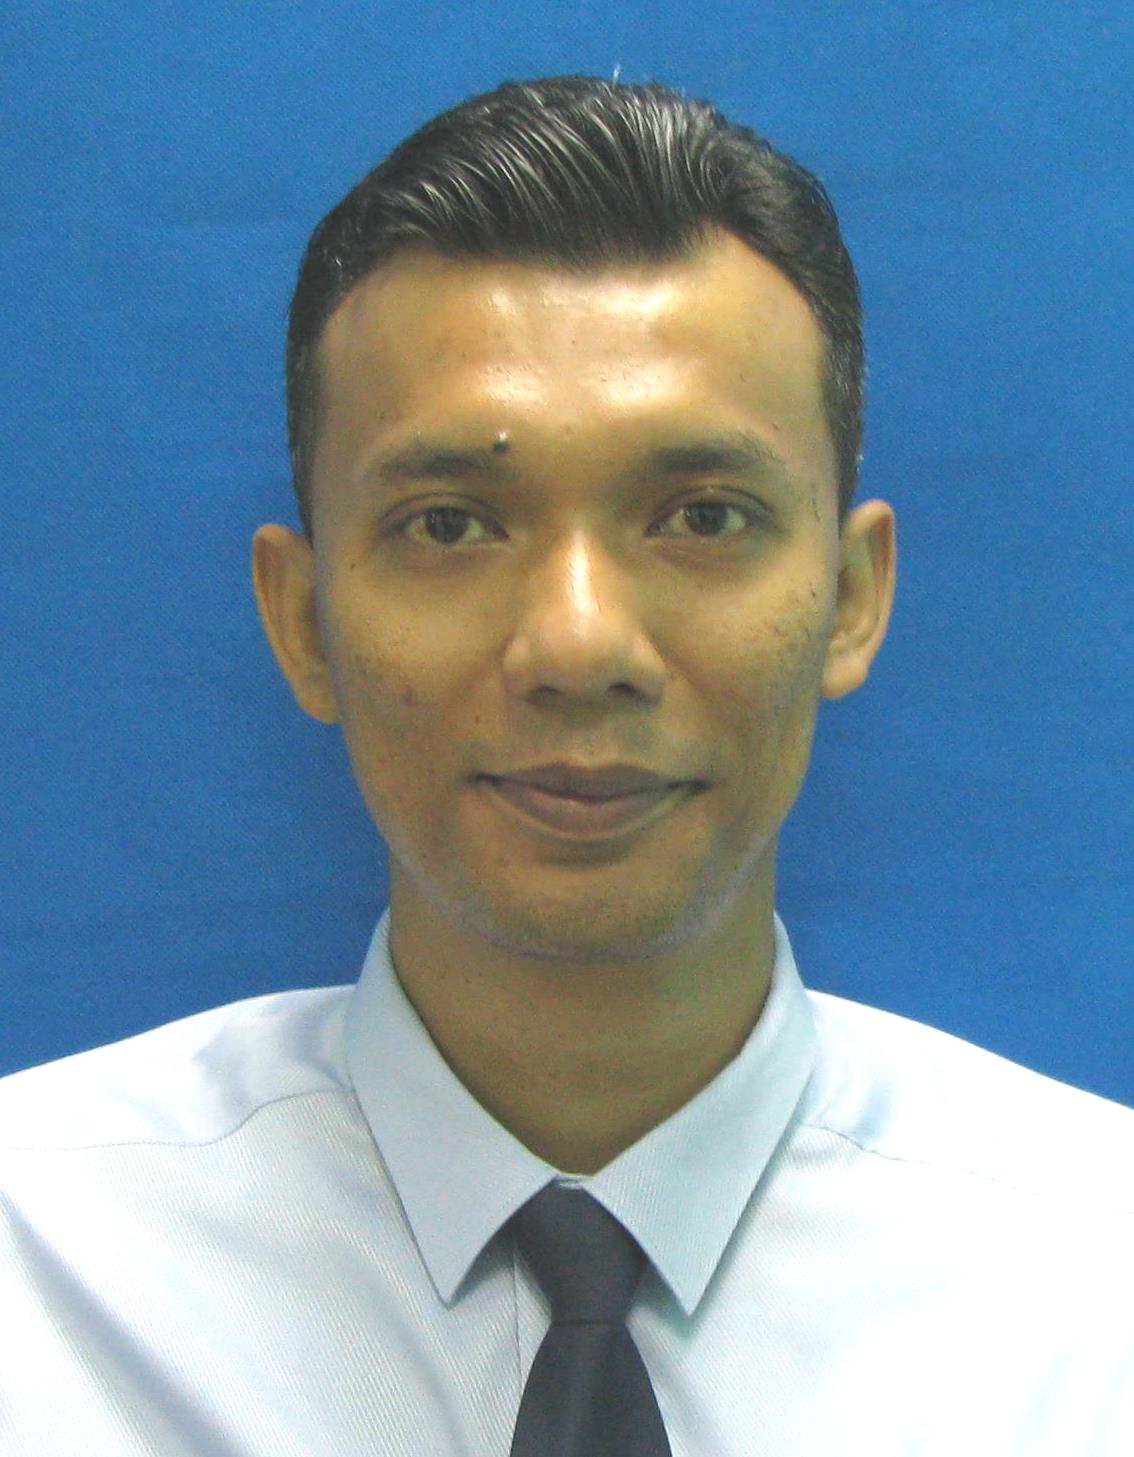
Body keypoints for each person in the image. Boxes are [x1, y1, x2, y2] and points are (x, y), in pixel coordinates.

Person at [1, 74, 1131, 1457]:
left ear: (851, 598)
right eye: (450, 524)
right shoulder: (33, 1279)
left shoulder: (1098, 1295)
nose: (579, 644)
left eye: (701, 515)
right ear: (301, 622)